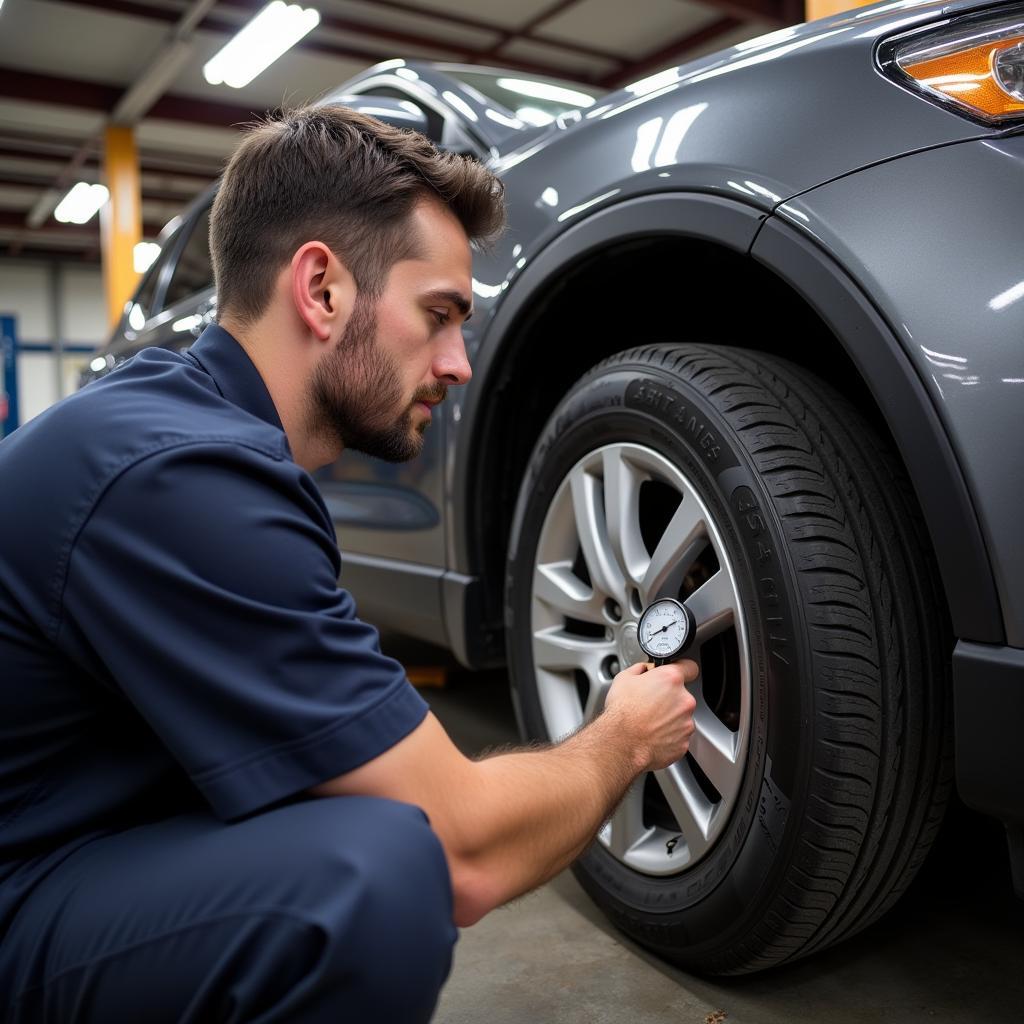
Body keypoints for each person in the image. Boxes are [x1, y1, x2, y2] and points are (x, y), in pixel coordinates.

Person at [0, 105, 698, 1023]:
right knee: (376, 874)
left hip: (61, 831)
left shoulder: (184, 425)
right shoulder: (181, 477)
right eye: (439, 314)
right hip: (21, 886)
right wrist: (625, 738)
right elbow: (465, 853)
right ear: (321, 289)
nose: (458, 364)